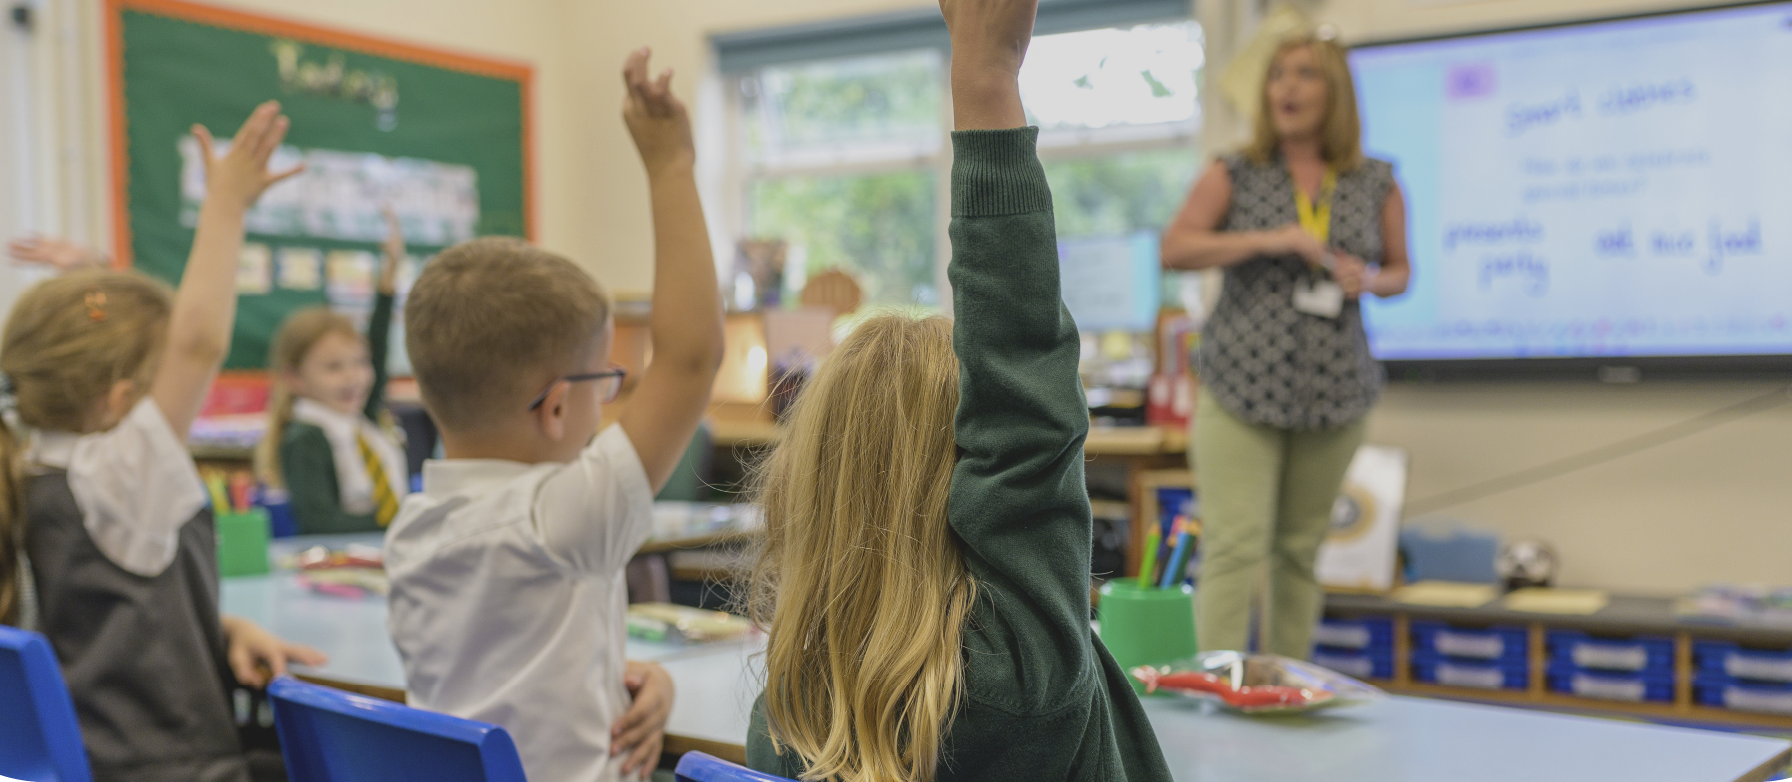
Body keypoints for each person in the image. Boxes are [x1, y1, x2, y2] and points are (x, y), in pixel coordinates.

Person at [740, 2, 1173, 780]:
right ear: (966, 478)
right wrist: (985, 80)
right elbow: (1022, 406)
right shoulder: (1017, 679)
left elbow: (1021, 414)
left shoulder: (787, 714)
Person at [0, 101, 328, 782]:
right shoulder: (115, 475)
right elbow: (197, 341)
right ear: (121, 402)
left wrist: (220, 630)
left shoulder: (28, 464)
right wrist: (226, 204)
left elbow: (107, 618)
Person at [382, 48, 719, 782]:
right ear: (558, 405)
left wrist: (621, 675)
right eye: (606, 382)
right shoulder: (559, 520)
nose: (610, 399)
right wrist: (670, 165)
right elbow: (691, 360)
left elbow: (512, 671)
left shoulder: (413, 528)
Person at [1160, 33, 1412, 658]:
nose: (1287, 88)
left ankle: (1284, 685)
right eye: (1278, 76)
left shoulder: (1376, 181)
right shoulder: (1234, 171)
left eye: (1305, 75)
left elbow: (1401, 272)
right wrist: (1269, 239)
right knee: (1235, 545)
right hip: (1240, 387)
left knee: (1300, 551)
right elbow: (1176, 248)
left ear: (1336, 91)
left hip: (1335, 392)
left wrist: (1368, 279)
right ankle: (1215, 688)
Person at [255, 210, 407, 534]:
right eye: (333, 367)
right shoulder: (306, 436)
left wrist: (389, 276)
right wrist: (404, 522)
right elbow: (320, 522)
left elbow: (378, 347)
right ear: (294, 378)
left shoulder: (358, 419)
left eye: (359, 363)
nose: (353, 377)